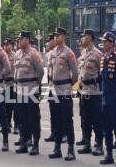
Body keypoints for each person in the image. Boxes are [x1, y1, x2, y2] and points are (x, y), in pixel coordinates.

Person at [48, 27, 78, 161]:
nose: (56, 37)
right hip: (54, 89)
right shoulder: (52, 52)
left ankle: (71, 149)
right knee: (56, 120)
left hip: (65, 88)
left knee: (67, 120)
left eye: (58, 35)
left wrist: (69, 85)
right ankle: (57, 148)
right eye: (55, 35)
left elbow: (75, 73)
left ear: (64, 37)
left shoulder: (69, 53)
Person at [14, 31, 44, 156]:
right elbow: (16, 72)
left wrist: (37, 84)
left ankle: (35, 144)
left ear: (27, 40)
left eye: (21, 39)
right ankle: (25, 142)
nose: (19, 41)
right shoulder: (18, 54)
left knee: (33, 118)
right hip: (20, 89)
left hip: (31, 88)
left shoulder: (33, 54)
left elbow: (41, 71)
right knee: (22, 117)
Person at [99, 32, 116, 166]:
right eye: (103, 42)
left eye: (105, 42)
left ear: (111, 43)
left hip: (115, 100)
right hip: (104, 100)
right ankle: (109, 155)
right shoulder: (103, 58)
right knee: (107, 130)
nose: (103, 44)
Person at [77, 29, 104, 156]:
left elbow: (102, 73)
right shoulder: (83, 52)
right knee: (86, 119)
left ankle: (99, 145)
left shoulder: (98, 54)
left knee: (97, 120)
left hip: (95, 92)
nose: (82, 38)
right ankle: (87, 143)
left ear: (90, 38)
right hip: (84, 91)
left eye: (84, 36)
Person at [3, 39, 18, 134]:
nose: (6, 46)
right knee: (6, 106)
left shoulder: (15, 55)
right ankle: (7, 124)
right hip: (5, 84)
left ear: (12, 46)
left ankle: (17, 125)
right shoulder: (3, 56)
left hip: (13, 84)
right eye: (5, 45)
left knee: (15, 107)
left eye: (8, 45)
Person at [45, 33, 57, 142]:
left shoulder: (60, 53)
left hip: (60, 87)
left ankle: (63, 134)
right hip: (51, 86)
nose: (49, 43)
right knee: (53, 112)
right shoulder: (49, 54)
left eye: (50, 40)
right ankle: (54, 132)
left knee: (61, 113)